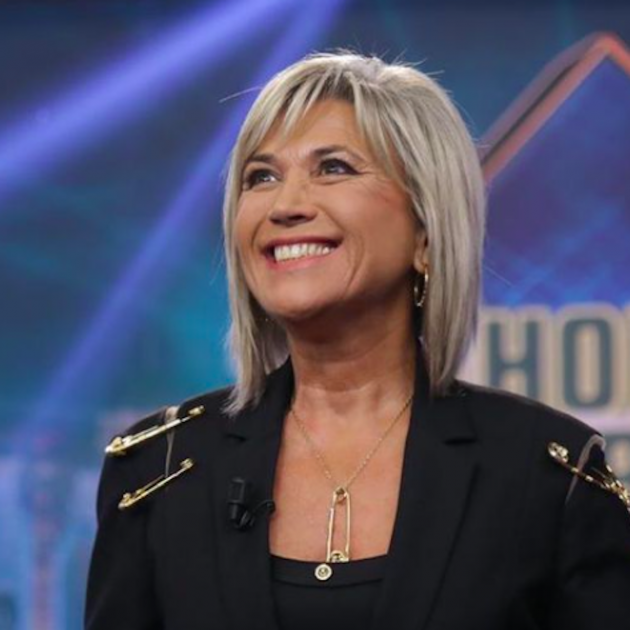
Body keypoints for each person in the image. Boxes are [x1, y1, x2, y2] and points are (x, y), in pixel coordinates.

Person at [84, 51, 630, 630]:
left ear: (426, 232)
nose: (285, 205)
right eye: (261, 177)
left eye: (334, 168)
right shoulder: (160, 471)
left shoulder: (550, 475)